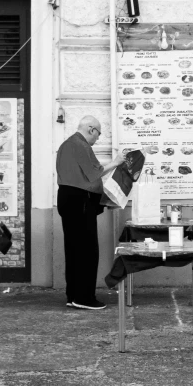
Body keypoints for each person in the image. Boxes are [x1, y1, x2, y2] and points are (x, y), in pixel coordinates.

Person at [56, 116, 125, 310]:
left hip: (70, 199)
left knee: (74, 250)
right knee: (87, 250)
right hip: (80, 202)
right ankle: (84, 297)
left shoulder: (66, 145)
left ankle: (73, 295)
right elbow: (95, 173)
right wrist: (117, 162)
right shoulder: (80, 144)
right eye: (99, 133)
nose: (98, 138)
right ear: (91, 129)